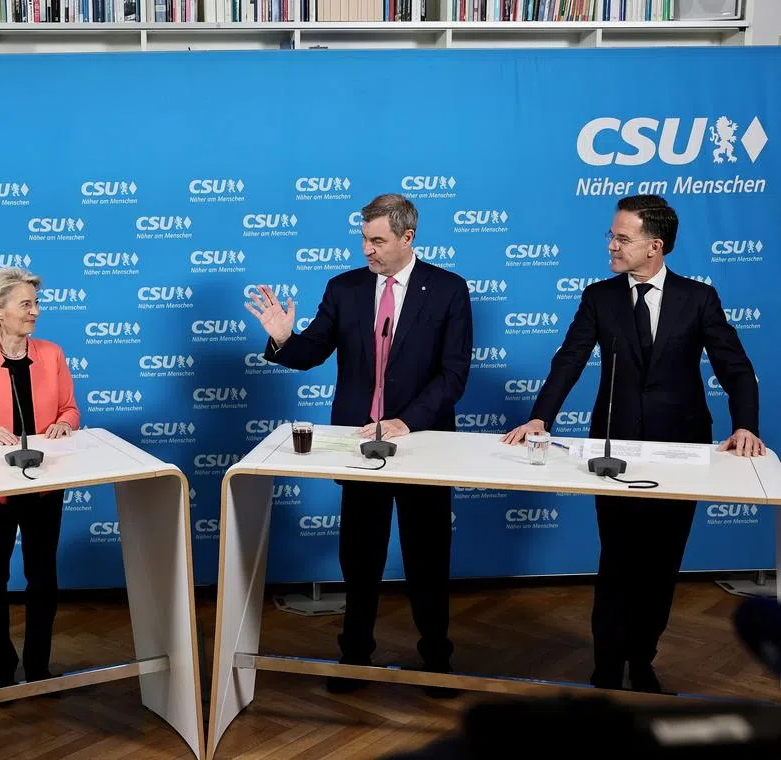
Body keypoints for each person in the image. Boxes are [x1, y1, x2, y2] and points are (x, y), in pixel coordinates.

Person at [502, 194, 764, 693]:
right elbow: (569, 359)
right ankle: (606, 666)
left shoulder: (698, 298)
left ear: (655, 246)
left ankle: (642, 660)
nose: (612, 246)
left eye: (622, 238)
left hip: (682, 451)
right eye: (612, 236)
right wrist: (540, 418)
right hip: (613, 450)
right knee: (617, 559)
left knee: (662, 564)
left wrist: (745, 425)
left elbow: (736, 368)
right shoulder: (599, 297)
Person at [245, 193, 473, 696]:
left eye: (377, 240)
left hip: (422, 444)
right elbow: (313, 351)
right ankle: (354, 657)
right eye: (363, 239)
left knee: (427, 557)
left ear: (407, 238)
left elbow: (453, 374)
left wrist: (405, 421)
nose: (367, 249)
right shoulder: (344, 288)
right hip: (356, 443)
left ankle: (436, 658)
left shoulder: (449, 290)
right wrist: (284, 338)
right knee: (360, 555)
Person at [0, 266, 80, 692]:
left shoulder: (54, 354)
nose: (36, 312)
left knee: (43, 576)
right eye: (27, 304)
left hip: (43, 486)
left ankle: (39, 668)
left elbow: (70, 410)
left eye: (36, 304)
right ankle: (2, 671)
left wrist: (64, 424)